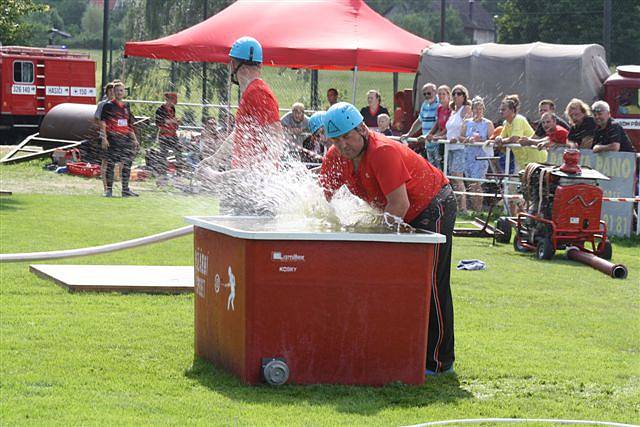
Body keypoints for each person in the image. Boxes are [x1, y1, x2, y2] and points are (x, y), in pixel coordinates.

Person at [320, 102, 456, 375]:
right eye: (336, 139)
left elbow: (399, 205)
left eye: (347, 136)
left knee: (431, 281)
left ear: (361, 129)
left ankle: (439, 361)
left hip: (433, 205)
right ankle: (400, 349)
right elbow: (322, 200)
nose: (342, 145)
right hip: (402, 210)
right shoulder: (335, 157)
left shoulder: (383, 153)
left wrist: (375, 241)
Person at [199, 36, 282, 171]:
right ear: (259, 65)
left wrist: (266, 169)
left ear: (234, 65)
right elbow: (238, 133)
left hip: (254, 179)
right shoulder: (250, 93)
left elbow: (276, 135)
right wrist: (214, 160)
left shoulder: (257, 92)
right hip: (247, 175)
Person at [100, 81, 139, 197]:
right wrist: (104, 138)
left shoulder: (126, 106)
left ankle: (125, 190)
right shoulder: (108, 106)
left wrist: (134, 139)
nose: (119, 93)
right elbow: (102, 122)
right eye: (117, 91)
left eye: (121, 90)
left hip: (125, 139)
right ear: (113, 92)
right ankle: (109, 190)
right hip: (113, 138)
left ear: (124, 92)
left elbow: (129, 125)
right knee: (111, 164)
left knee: (127, 163)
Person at [460, 96, 494, 212]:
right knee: (471, 182)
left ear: (483, 109)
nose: (478, 111)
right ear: (472, 109)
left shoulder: (488, 123)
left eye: (480, 109)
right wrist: (467, 139)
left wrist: (482, 141)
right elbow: (461, 136)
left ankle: (478, 209)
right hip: (469, 155)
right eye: (475, 108)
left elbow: (492, 139)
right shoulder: (467, 122)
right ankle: (474, 208)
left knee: (477, 183)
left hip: (481, 156)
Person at [445, 84, 472, 213]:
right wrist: (433, 136)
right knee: (452, 177)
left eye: (459, 93)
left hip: (460, 148)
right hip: (450, 148)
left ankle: (464, 207)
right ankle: (456, 206)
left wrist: (458, 137)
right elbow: (448, 130)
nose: (456, 96)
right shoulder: (453, 111)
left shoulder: (466, 109)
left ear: (464, 96)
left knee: (457, 176)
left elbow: (467, 127)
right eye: (454, 93)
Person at [402, 83, 439, 159]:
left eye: (429, 93)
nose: (426, 96)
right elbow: (419, 121)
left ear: (435, 92)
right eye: (424, 94)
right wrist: (409, 134)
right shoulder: (425, 104)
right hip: (428, 143)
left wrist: (427, 135)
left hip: (437, 142)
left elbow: (438, 124)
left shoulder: (439, 104)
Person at [155, 92, 182, 183]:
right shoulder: (160, 109)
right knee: (163, 155)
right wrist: (172, 121)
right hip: (164, 135)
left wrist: (176, 123)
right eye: (172, 101)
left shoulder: (172, 109)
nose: (173, 103)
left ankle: (179, 173)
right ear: (168, 100)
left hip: (173, 135)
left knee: (178, 153)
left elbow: (171, 120)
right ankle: (162, 175)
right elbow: (159, 122)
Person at [424, 85, 452, 170]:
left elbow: (448, 127)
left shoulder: (451, 108)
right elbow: (437, 124)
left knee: (446, 166)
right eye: (439, 94)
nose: (441, 96)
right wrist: (429, 134)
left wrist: (436, 136)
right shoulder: (439, 108)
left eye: (443, 94)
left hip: (447, 138)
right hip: (440, 139)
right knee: (437, 164)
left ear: (448, 95)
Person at [94, 82, 115, 191]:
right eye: (110, 91)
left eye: (114, 91)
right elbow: (97, 119)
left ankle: (113, 185)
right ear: (107, 92)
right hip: (105, 136)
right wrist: (103, 135)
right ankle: (105, 187)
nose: (112, 93)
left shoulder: (118, 104)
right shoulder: (102, 104)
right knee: (105, 162)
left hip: (116, 137)